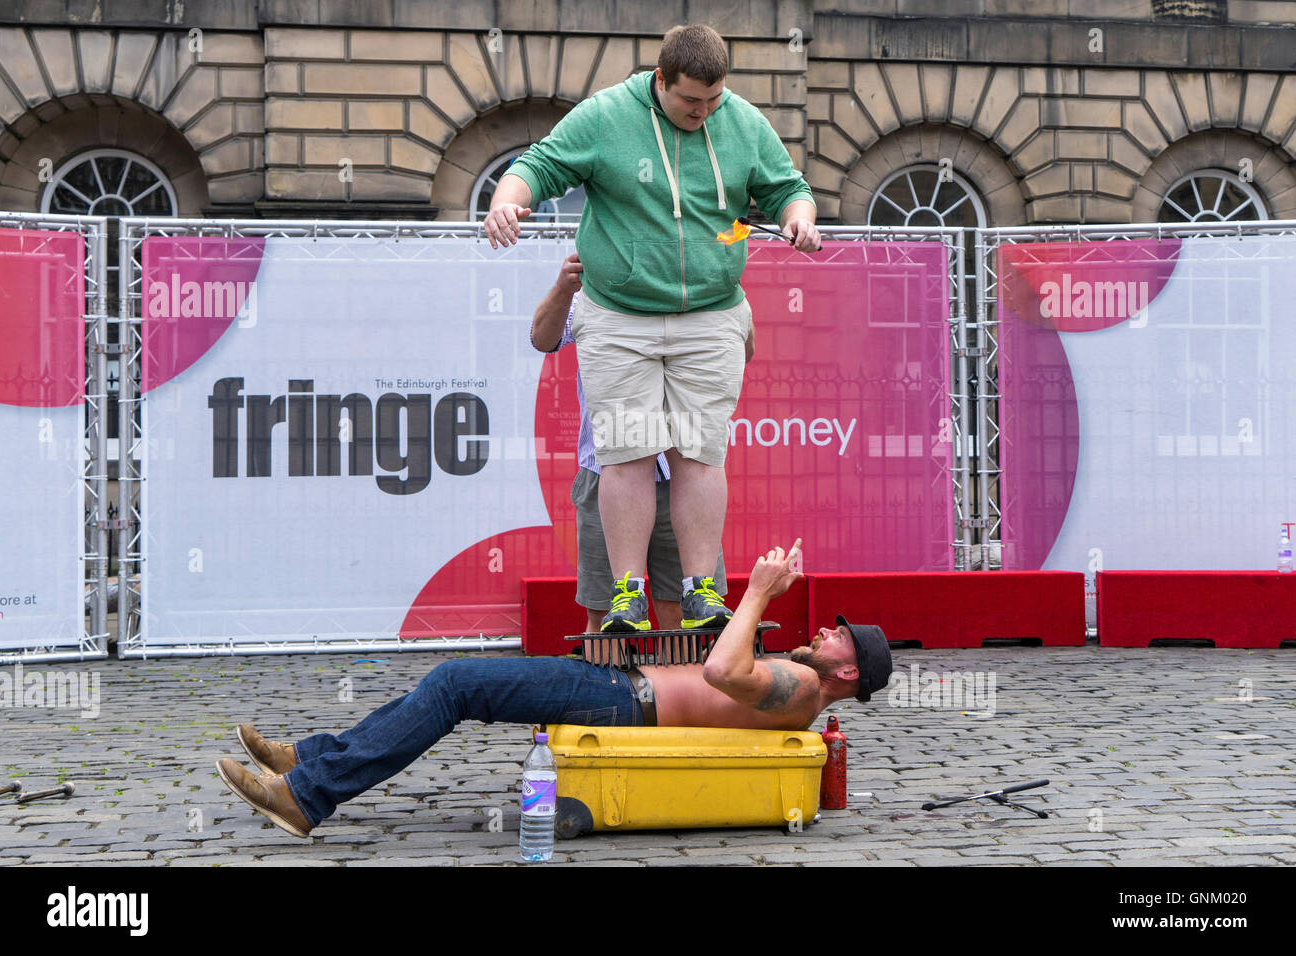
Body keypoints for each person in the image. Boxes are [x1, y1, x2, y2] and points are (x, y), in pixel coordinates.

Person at [484, 24, 820, 634]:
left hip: (712, 313)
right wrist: (508, 198)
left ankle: (702, 595)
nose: (703, 113)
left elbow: (789, 189)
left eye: (714, 101)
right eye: (692, 101)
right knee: (627, 453)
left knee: (699, 452)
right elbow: (539, 164)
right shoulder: (607, 115)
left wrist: (799, 218)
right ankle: (627, 598)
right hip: (619, 314)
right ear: (660, 80)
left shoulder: (739, 120)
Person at [215, 540, 893, 838]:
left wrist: (759, 591)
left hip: (623, 704)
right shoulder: (803, 685)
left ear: (848, 673)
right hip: (621, 692)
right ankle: (311, 758)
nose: (826, 634)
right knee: (452, 684)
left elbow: (720, 671)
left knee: (453, 683)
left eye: (838, 637)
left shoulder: (804, 688)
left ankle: (308, 797)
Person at [530, 252, 753, 643]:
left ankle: (679, 701)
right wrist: (566, 286)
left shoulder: (695, 285)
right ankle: (610, 700)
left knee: (683, 609)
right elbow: (541, 338)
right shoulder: (596, 290)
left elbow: (740, 349)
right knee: (606, 616)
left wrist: (723, 287)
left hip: (678, 476)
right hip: (605, 473)